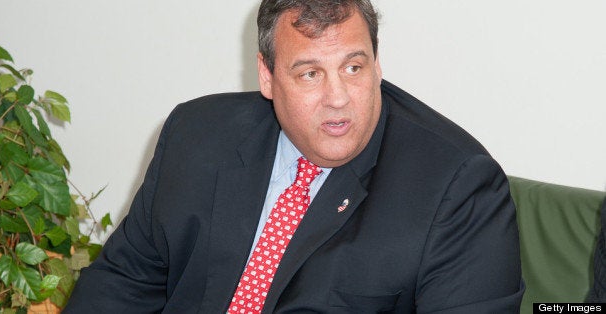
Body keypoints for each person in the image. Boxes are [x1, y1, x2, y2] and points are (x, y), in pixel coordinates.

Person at [64, 0, 524, 312]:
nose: (339, 97)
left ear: (378, 63)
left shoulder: (458, 186)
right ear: (266, 76)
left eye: (354, 67)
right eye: (309, 74)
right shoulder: (197, 135)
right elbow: (122, 283)